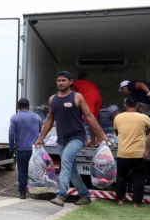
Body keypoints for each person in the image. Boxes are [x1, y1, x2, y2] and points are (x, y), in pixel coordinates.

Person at [35, 71, 108, 207]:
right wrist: (41, 138)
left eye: (64, 80)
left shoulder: (77, 97)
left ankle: (61, 195)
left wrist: (101, 135)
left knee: (66, 162)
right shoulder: (53, 99)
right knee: (72, 170)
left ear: (71, 82)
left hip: (77, 137)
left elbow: (90, 117)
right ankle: (85, 195)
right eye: (59, 80)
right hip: (62, 139)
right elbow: (50, 120)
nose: (61, 83)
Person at [113, 97, 150, 208]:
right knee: (138, 178)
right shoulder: (144, 117)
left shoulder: (118, 117)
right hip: (138, 154)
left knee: (121, 177)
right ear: (137, 106)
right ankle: (136, 203)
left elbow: (116, 132)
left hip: (123, 153)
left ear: (125, 105)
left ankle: (120, 200)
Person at [8, 98, 41, 199]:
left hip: (21, 149)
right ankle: (37, 191)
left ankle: (22, 193)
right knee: (36, 170)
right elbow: (40, 130)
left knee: (22, 170)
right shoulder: (36, 117)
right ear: (28, 106)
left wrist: (11, 148)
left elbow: (11, 134)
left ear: (18, 107)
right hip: (34, 150)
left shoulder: (14, 118)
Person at [72, 72, 103, 146]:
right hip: (98, 98)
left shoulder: (76, 83)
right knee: (93, 120)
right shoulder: (91, 83)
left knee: (89, 120)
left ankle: (99, 139)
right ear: (86, 78)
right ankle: (93, 141)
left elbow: (72, 95)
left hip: (89, 98)